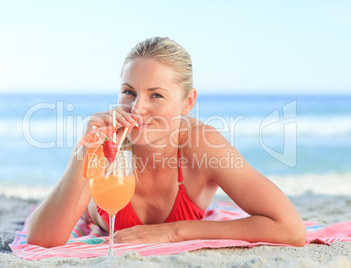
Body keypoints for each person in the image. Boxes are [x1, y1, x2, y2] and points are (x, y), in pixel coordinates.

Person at [27, 37, 307, 248]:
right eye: (128, 92)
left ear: (187, 102)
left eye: (156, 95)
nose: (136, 108)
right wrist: (84, 148)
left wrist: (174, 232)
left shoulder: (203, 144)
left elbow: (291, 229)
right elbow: (41, 241)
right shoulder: (106, 141)